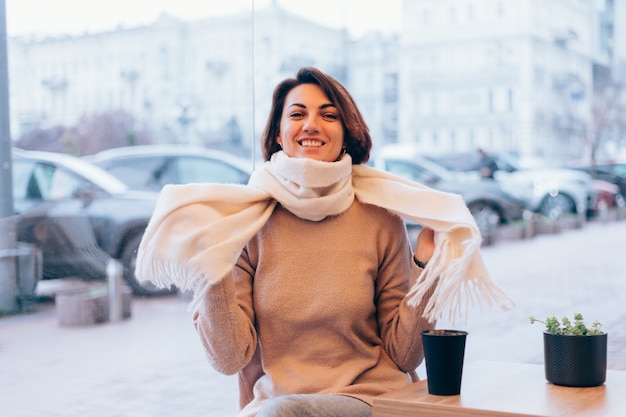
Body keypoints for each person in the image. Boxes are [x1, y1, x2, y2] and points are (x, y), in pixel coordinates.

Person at [135, 67, 512, 417]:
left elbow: (405, 355)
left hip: (371, 399)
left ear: (346, 132)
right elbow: (229, 359)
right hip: (280, 406)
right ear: (278, 134)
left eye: (328, 115)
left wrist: (425, 264)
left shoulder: (380, 217)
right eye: (297, 114)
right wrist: (211, 267)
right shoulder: (244, 223)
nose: (311, 124)